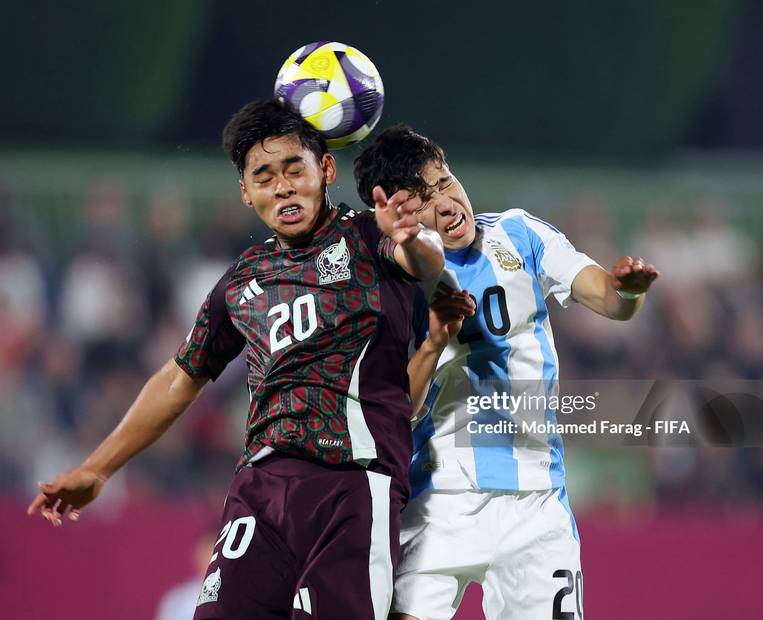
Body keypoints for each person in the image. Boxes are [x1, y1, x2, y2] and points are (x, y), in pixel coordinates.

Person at [28, 101, 454, 620]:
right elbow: (181, 377)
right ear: (246, 192)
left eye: (294, 169)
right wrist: (97, 469)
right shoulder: (241, 280)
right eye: (264, 176)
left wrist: (412, 238)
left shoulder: (369, 237)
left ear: (325, 170)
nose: (282, 187)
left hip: (354, 488)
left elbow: (424, 260)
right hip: (260, 490)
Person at [354, 125, 660, 620]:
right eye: (423, 202)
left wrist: (627, 289)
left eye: (446, 182)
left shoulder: (520, 233)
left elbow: (609, 298)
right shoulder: (392, 287)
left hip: (537, 502)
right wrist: (435, 340)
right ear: (395, 217)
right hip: (439, 500)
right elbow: (398, 410)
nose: (448, 203)